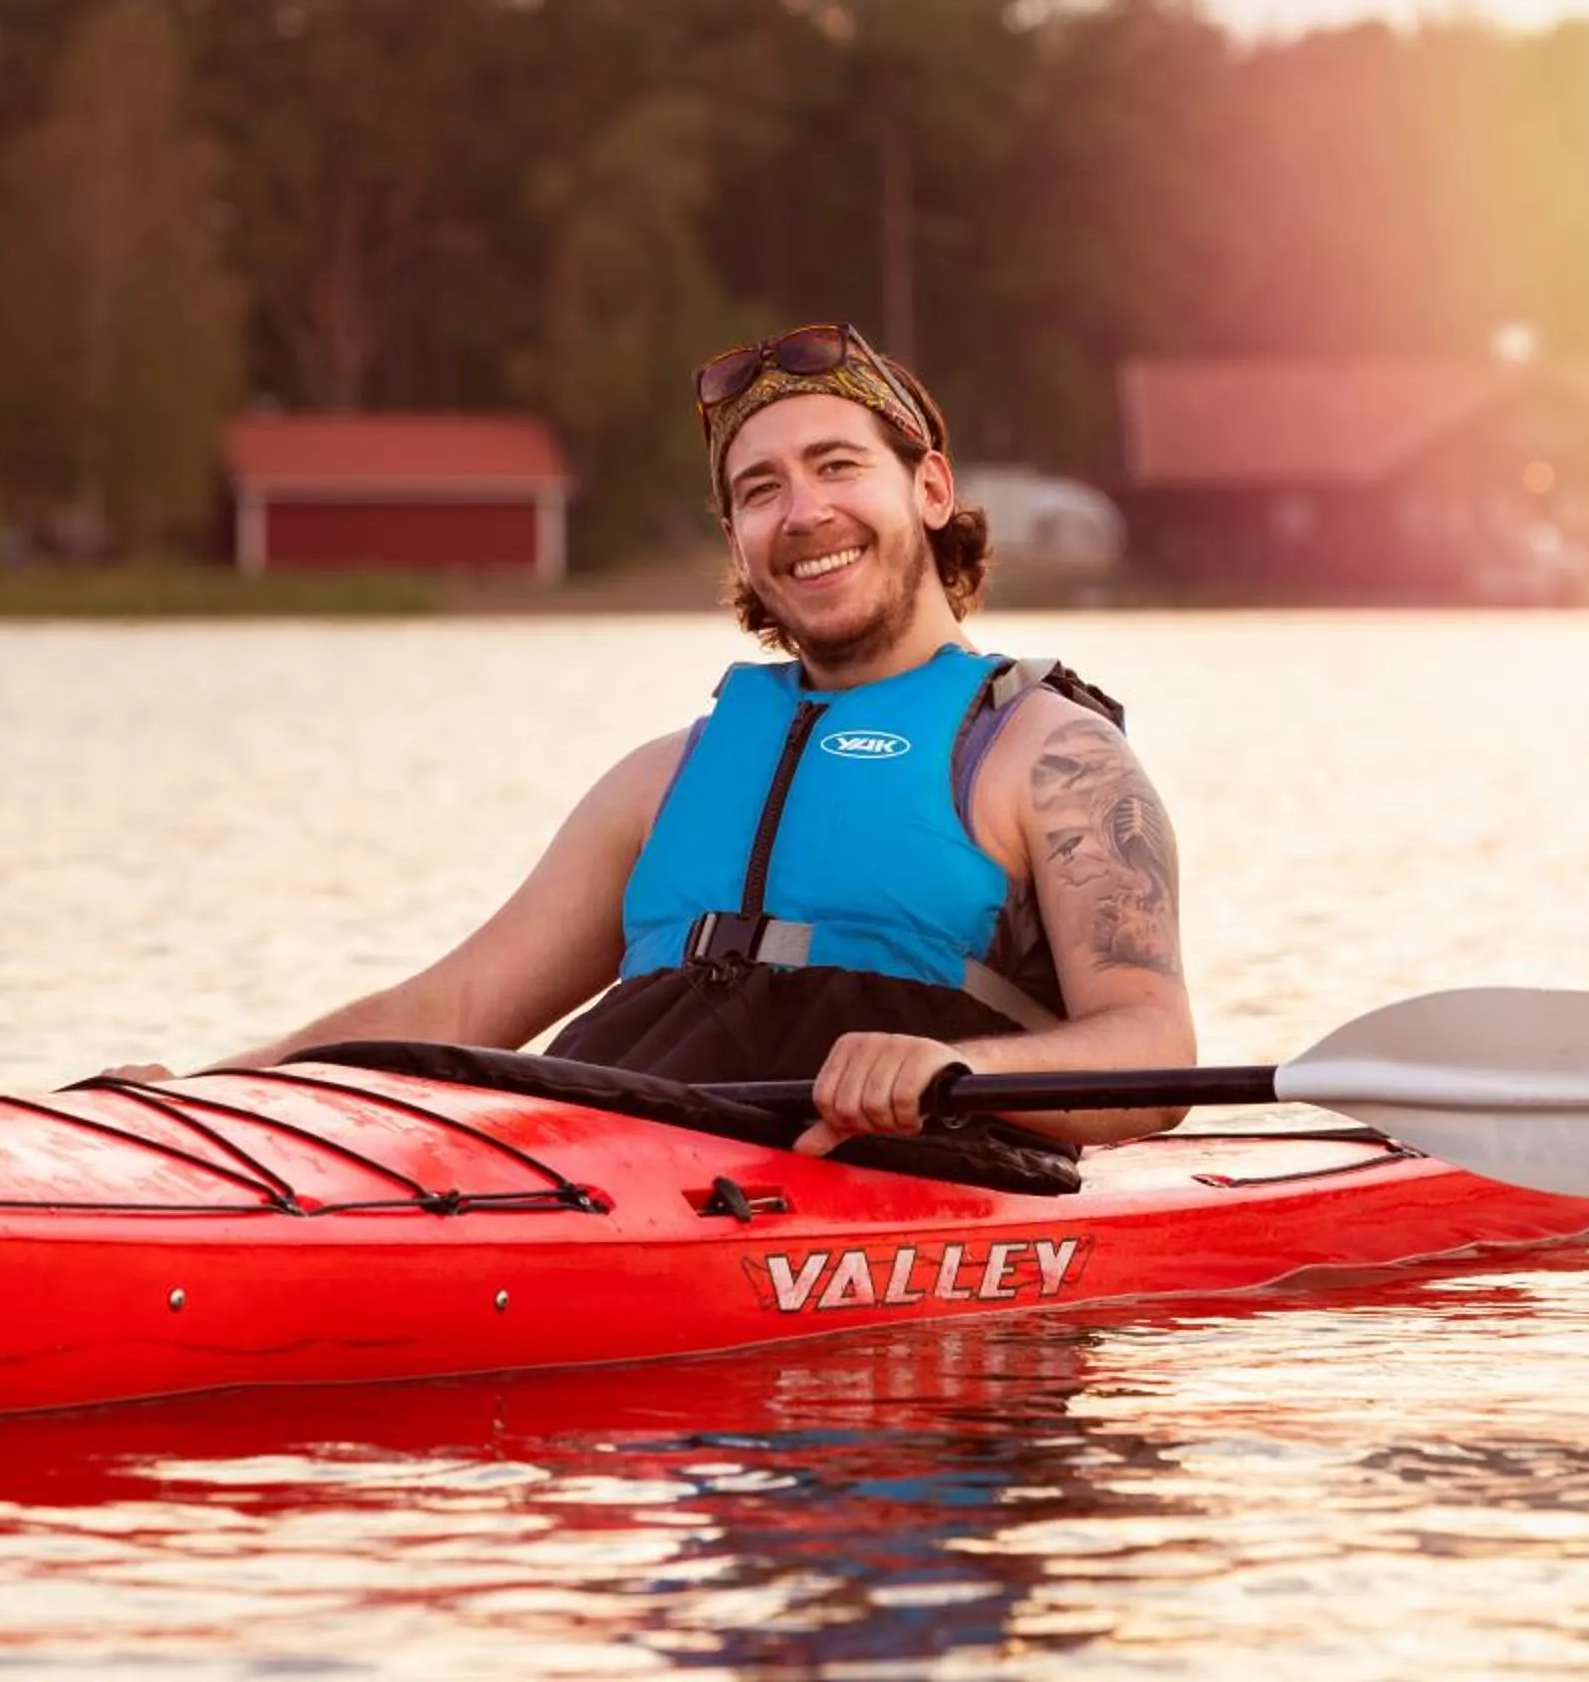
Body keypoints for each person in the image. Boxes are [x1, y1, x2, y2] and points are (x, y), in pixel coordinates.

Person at [111, 323, 1194, 1161]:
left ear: (931, 487)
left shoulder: (1049, 756)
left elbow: (1154, 1051)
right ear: (736, 538)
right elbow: (446, 1011)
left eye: (836, 465)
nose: (802, 511)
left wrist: (954, 1063)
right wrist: (198, 1098)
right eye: (759, 490)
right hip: (606, 1176)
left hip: (907, 1189)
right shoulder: (663, 780)